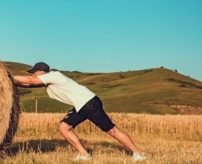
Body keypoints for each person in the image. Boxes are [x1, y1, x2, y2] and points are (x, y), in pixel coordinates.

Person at [13, 62, 146, 162]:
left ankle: (139, 154)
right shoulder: (48, 82)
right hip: (81, 105)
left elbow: (30, 80)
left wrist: (8, 75)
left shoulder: (54, 76)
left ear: (41, 72)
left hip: (89, 103)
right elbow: (29, 84)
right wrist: (9, 82)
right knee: (64, 127)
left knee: (111, 130)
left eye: (33, 72)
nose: (32, 75)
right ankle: (84, 155)